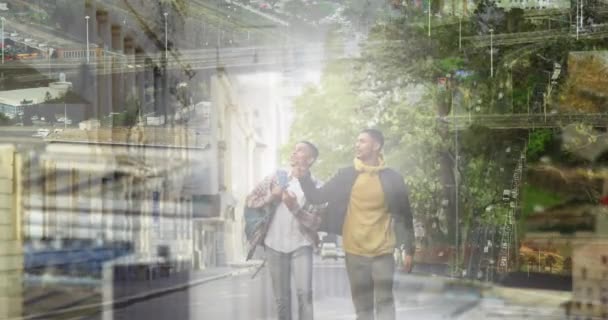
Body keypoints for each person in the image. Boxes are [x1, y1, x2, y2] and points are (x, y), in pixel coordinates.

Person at [295, 129, 415, 320]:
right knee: (363, 308)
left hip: (383, 251)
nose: (357, 145)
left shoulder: (393, 178)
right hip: (355, 251)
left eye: (362, 141)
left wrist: (408, 249)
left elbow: (404, 215)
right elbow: (317, 197)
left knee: (384, 302)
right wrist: (304, 177)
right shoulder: (347, 175)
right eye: (356, 141)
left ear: (376, 146)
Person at [245, 141, 325, 320]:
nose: (295, 152)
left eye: (300, 150)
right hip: (274, 245)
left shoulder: (317, 186)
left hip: (301, 245)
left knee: (305, 295)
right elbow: (250, 200)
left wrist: (295, 207)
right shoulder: (275, 178)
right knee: (281, 299)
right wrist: (271, 195)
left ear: (310, 159)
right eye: (294, 149)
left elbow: (316, 223)